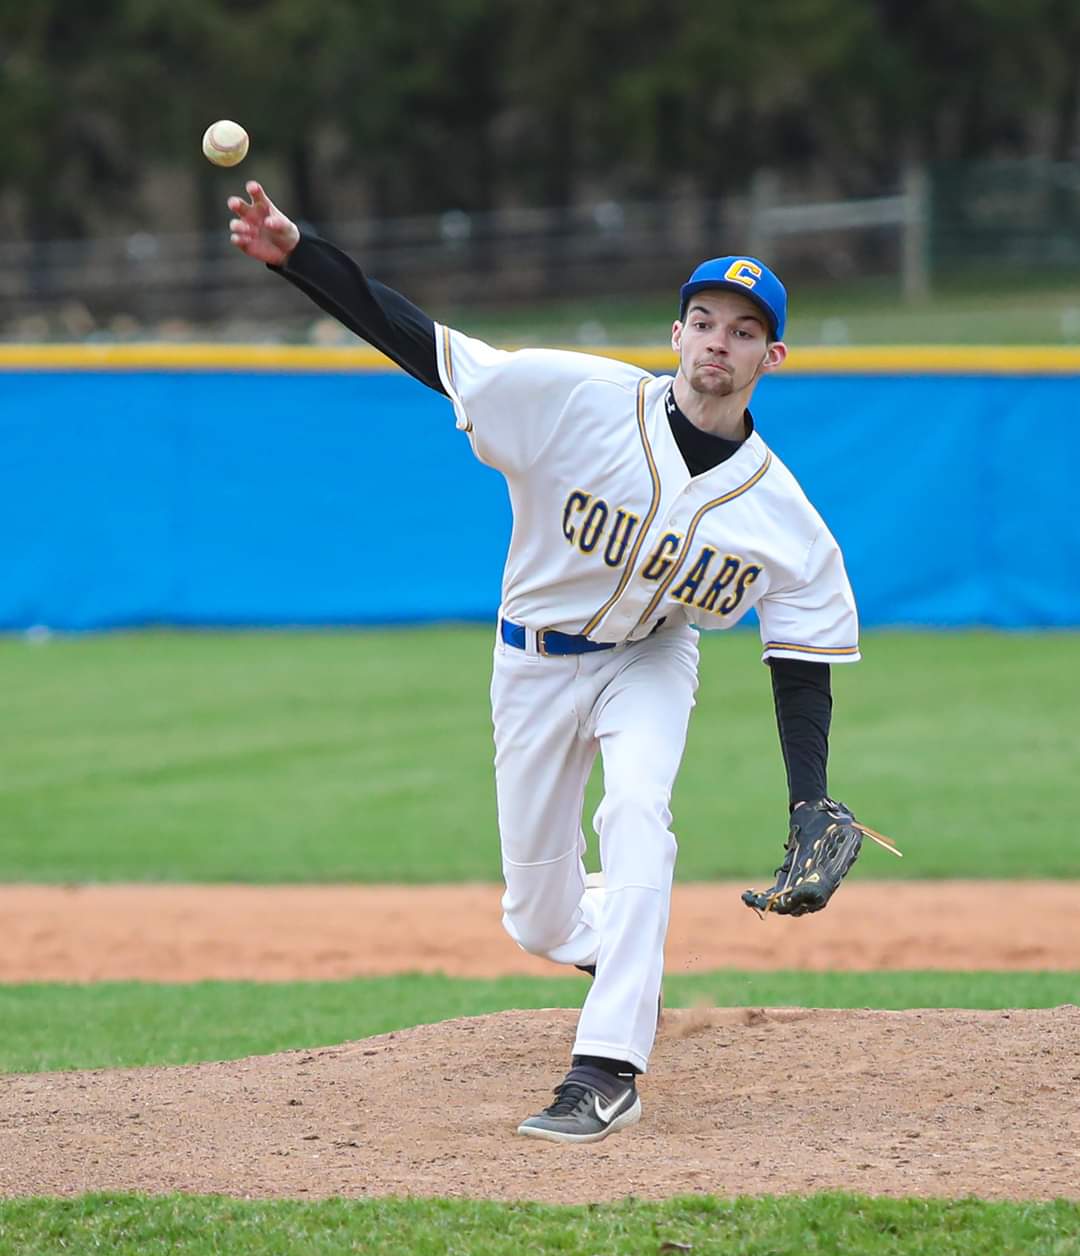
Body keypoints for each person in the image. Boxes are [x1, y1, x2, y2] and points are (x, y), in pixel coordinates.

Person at [226, 180, 894, 1144]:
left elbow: (799, 658)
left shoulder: (782, 517)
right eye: (703, 320)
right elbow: (429, 349)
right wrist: (302, 257)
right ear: (676, 336)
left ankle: (606, 1068)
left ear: (771, 357)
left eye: (744, 331)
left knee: (637, 815)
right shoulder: (576, 397)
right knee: (538, 918)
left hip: (651, 663)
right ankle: (621, 952)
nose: (719, 341)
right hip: (530, 664)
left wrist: (808, 797)